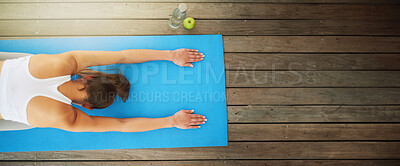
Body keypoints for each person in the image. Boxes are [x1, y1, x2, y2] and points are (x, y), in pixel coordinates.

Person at [0, 49, 207, 132]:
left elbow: (122, 57)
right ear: (88, 106)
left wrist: (170, 55)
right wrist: (171, 121)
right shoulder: (67, 118)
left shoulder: (65, 63)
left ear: (89, 77)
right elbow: (121, 124)